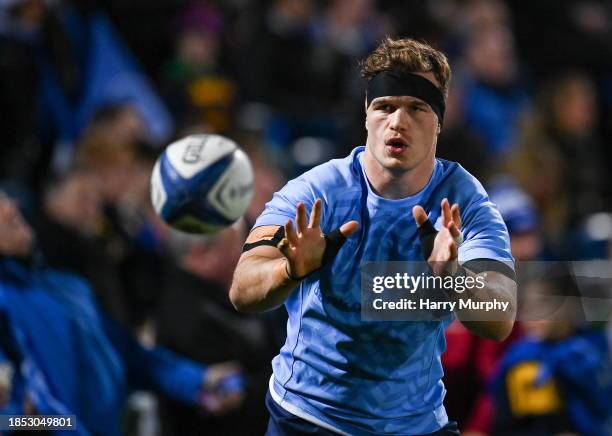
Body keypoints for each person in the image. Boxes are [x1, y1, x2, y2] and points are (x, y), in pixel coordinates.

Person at [230, 37, 517, 435]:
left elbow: (499, 319)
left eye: (416, 108)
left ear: (439, 121)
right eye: (385, 107)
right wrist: (289, 271)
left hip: (414, 423)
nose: (398, 122)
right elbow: (242, 289)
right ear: (367, 115)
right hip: (310, 417)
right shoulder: (317, 193)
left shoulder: (464, 204)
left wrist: (453, 278)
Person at [0, 194, 244, 436]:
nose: (11, 208)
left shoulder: (68, 287)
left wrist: (198, 380)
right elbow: (9, 419)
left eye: (4, 199)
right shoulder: (5, 304)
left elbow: (127, 353)